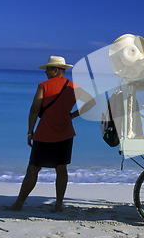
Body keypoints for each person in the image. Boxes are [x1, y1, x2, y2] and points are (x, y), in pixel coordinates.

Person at [11, 56, 96, 212]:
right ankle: (58, 205)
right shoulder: (73, 87)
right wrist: (72, 115)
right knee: (61, 169)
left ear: (56, 70)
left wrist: (30, 131)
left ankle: (19, 203)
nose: (45, 72)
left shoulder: (44, 86)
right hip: (65, 133)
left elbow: (34, 109)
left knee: (33, 170)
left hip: (44, 133)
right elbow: (91, 102)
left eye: (48, 69)